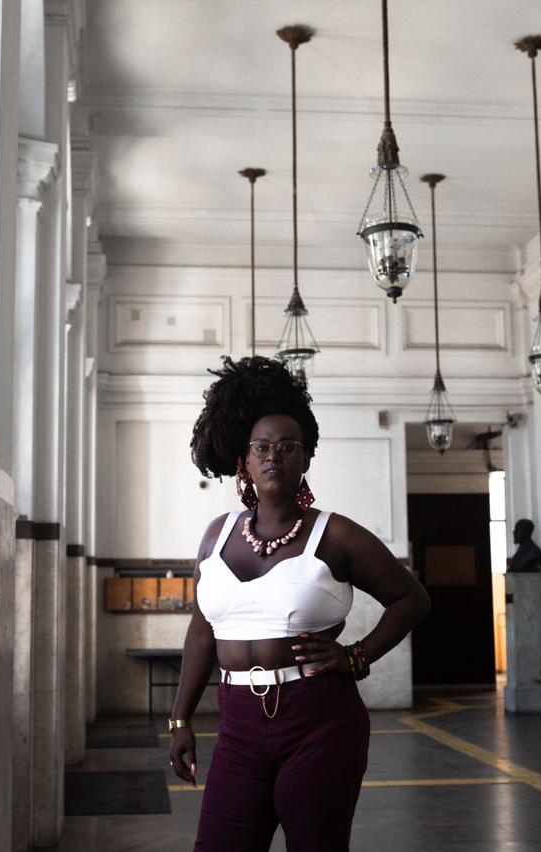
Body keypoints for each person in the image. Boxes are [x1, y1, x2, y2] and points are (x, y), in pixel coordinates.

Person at [169, 356, 430, 852]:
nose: (274, 457)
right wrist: (180, 719)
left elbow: (411, 598)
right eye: (262, 447)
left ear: (307, 458)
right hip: (238, 723)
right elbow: (202, 630)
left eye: (289, 447)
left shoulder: (337, 535)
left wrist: (356, 656)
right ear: (244, 460)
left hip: (320, 721)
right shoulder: (215, 536)